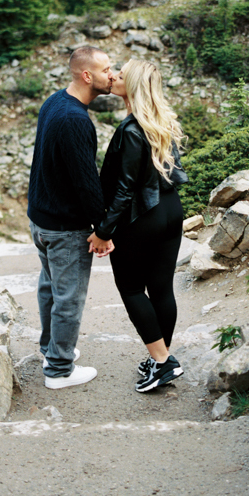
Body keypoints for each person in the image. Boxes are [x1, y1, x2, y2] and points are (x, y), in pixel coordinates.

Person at [89, 58, 187, 392]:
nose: (113, 75)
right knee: (161, 288)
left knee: (131, 288)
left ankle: (162, 362)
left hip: (141, 216)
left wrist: (103, 231)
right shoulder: (161, 121)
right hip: (171, 210)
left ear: (131, 85)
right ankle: (162, 359)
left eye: (121, 73)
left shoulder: (131, 130)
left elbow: (124, 189)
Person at [27, 45, 115, 389]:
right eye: (107, 69)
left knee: (50, 287)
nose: (113, 74)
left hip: (42, 218)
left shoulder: (55, 102)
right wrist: (103, 229)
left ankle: (51, 348)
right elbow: (85, 181)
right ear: (86, 75)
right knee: (68, 297)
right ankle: (59, 370)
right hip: (64, 226)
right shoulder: (75, 119)